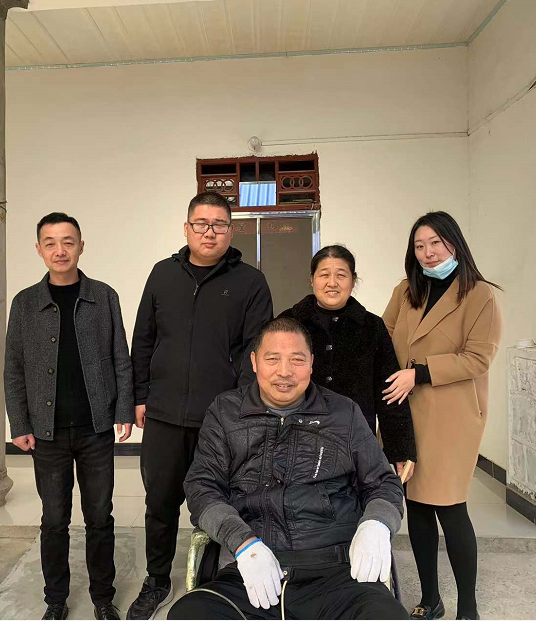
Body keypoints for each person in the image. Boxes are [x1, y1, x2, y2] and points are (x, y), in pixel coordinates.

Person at [168, 317, 408, 620]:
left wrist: (377, 524)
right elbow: (202, 487)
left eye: (297, 360)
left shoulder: (343, 413)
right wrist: (244, 545)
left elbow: (383, 482)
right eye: (272, 359)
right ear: (254, 362)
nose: (284, 372)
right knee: (189, 614)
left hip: (338, 573)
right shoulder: (226, 412)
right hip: (252, 568)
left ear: (312, 363)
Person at [127, 192, 273, 620]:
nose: (210, 232)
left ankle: (217, 580)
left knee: (220, 500)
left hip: (221, 418)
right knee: (160, 501)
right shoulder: (162, 274)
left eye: (219, 225)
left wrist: (241, 408)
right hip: (164, 413)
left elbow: (255, 351)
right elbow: (144, 339)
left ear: (231, 230)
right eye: (201, 224)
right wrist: (140, 395)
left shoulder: (250, 282)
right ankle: (157, 580)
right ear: (187, 228)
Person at [4, 212, 134, 621]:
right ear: (39, 249)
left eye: (68, 242)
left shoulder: (104, 296)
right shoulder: (25, 303)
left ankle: (103, 598)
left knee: (99, 517)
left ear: (80, 246)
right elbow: (13, 368)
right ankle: (55, 600)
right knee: (54, 520)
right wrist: (20, 423)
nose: (60, 250)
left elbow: (121, 357)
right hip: (47, 433)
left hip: (96, 428)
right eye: (50, 243)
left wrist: (123, 410)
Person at [382, 211, 502, 621]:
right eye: (419, 246)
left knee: (450, 507)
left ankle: (468, 607)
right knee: (416, 507)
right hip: (405, 412)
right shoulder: (405, 291)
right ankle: (431, 599)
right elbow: (384, 339)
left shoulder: (480, 295)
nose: (428, 253)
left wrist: (419, 373)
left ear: (454, 243)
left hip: (452, 415)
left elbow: (478, 357)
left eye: (435, 242)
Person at [278, 244, 417, 478]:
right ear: (312, 280)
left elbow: (390, 392)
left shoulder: (372, 327)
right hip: (297, 443)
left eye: (341, 275)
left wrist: (400, 450)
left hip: (355, 444)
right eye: (324, 275)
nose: (332, 283)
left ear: (353, 281)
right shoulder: (288, 323)